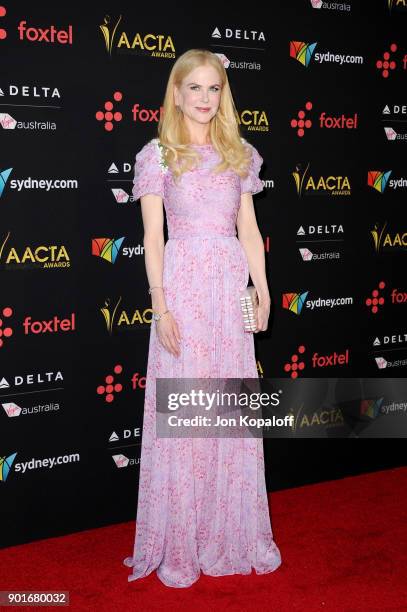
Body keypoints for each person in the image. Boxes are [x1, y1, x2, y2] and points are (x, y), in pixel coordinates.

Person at [123, 48, 282, 588]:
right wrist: (160, 305)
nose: (205, 99)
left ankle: (230, 530)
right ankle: (183, 539)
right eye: (195, 88)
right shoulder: (157, 155)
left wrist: (260, 289)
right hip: (185, 290)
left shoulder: (241, 153)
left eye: (214, 89)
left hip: (229, 288)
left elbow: (249, 228)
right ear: (176, 92)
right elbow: (152, 237)